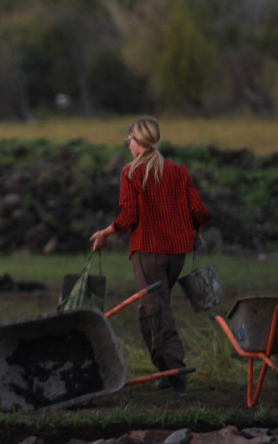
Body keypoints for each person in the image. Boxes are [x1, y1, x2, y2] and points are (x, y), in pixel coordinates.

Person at [90, 117, 210, 396]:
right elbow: (200, 211)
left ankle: (178, 374)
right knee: (147, 311)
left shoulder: (130, 173)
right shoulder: (178, 171)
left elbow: (129, 216)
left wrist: (106, 232)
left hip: (148, 253)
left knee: (158, 311)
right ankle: (164, 370)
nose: (127, 145)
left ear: (140, 142)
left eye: (129, 140)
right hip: (176, 254)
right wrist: (197, 231)